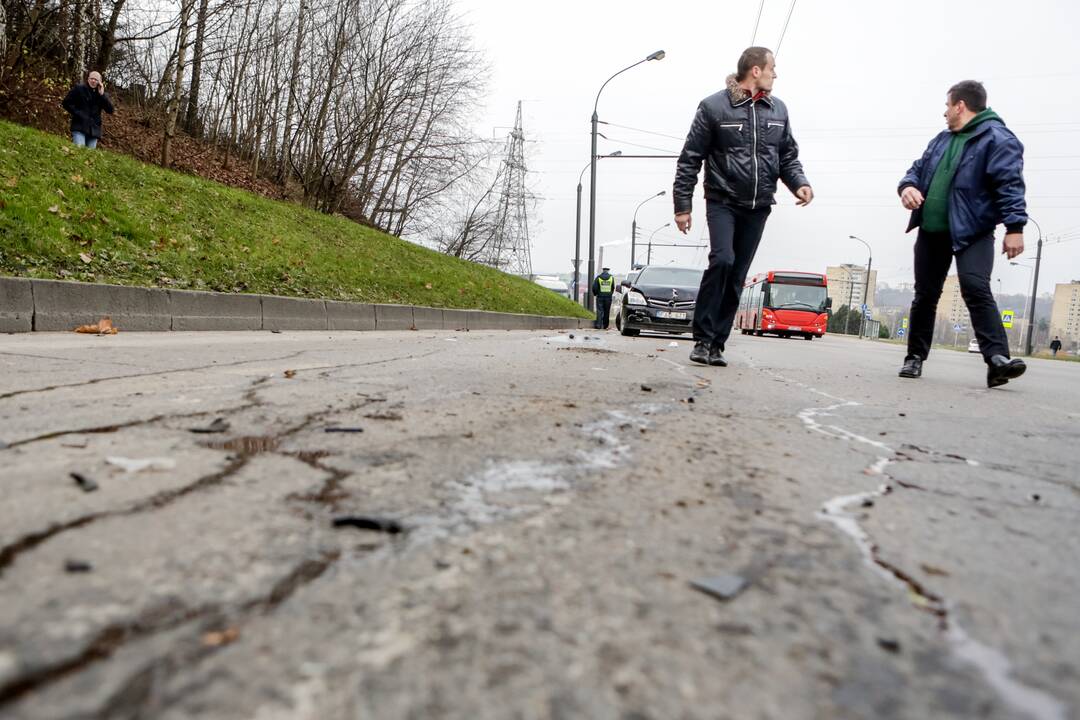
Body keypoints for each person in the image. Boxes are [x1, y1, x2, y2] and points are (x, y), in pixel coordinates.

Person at [673, 46, 812, 367]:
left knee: (737, 274)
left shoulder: (778, 110)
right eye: (772, 68)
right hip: (722, 200)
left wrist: (799, 183)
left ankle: (717, 344)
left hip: (759, 205)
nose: (775, 74)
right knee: (722, 260)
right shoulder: (713, 107)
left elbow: (787, 156)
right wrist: (683, 205)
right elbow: (690, 159)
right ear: (755, 71)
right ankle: (702, 338)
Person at [897, 80, 1027, 388]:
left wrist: (1015, 228)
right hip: (932, 230)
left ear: (960, 106)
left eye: (947, 106)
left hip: (973, 231)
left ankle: (997, 361)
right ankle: (914, 357)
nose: (944, 113)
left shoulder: (998, 138)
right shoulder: (941, 140)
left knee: (975, 287)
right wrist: (908, 187)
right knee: (925, 295)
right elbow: (916, 169)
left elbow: (1010, 184)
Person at [61, 71, 114, 149]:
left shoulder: (102, 95)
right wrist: (78, 113)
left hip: (94, 131)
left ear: (100, 82)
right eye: (91, 78)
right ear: (88, 79)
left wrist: (102, 95)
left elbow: (110, 110)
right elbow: (66, 103)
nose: (93, 81)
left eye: (96, 79)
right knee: (79, 151)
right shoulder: (79, 88)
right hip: (79, 127)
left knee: (89, 157)